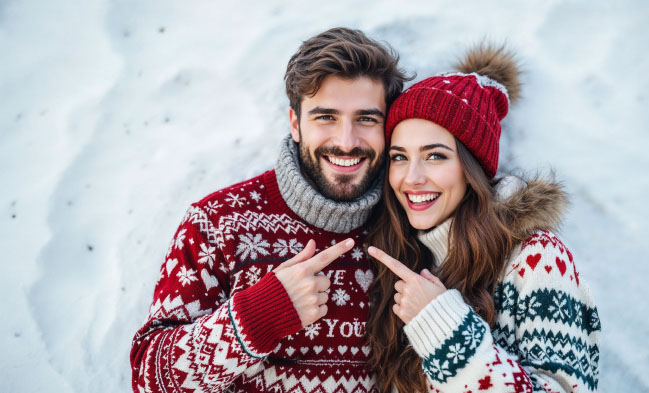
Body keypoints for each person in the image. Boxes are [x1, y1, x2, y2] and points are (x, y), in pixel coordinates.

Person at [130, 27, 411, 393]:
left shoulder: (409, 223)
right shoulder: (220, 222)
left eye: (366, 119)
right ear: (295, 124)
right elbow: (150, 379)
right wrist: (258, 317)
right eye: (325, 117)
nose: (346, 141)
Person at [365, 46, 601, 393]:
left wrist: (445, 329)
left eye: (435, 156)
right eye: (400, 157)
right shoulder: (404, 254)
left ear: (472, 169)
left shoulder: (536, 259)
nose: (411, 177)